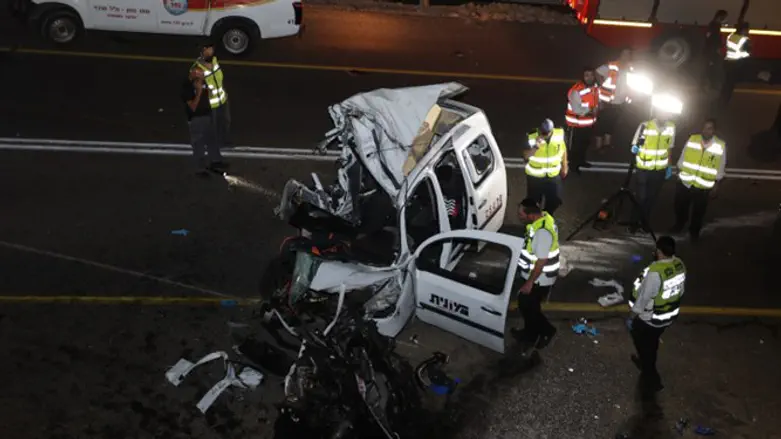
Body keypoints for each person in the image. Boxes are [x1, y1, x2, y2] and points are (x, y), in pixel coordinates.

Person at [627, 236, 686, 395]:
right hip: (668, 316)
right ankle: (646, 361)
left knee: (642, 340)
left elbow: (643, 298)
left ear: (659, 252)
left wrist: (632, 317)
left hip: (651, 319)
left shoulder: (655, 273)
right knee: (651, 343)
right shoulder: (679, 264)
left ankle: (651, 376)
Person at [512, 198, 560, 351]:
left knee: (529, 307)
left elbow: (541, 261)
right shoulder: (543, 218)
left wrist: (529, 282)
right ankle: (529, 334)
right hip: (535, 275)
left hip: (540, 279)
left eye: (521, 214)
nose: (519, 216)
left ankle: (547, 331)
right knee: (528, 306)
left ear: (531, 215)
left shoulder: (542, 233)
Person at [670, 119, 727, 242]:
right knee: (680, 206)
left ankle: (694, 231)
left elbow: (721, 165)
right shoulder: (692, 139)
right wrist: (679, 171)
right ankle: (679, 224)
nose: (706, 131)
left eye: (710, 128)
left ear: (714, 130)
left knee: (699, 211)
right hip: (685, 181)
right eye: (705, 128)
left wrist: (717, 184)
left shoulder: (720, 145)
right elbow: (683, 155)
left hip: (703, 185)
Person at [628, 114, 677, 233]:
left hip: (659, 170)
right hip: (643, 168)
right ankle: (634, 222)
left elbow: (669, 147)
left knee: (651, 198)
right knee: (641, 197)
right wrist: (635, 148)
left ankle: (645, 222)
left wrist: (669, 166)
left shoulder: (671, 127)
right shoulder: (645, 126)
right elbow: (634, 144)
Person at [181, 68, 227, 175]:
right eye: (200, 74)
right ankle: (200, 168)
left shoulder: (204, 82)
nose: (203, 77)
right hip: (196, 118)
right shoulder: (187, 87)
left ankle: (215, 161)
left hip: (207, 116)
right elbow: (192, 107)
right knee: (198, 145)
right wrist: (199, 92)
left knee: (212, 140)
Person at [524, 119, 568, 215]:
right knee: (533, 204)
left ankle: (547, 216)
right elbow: (525, 156)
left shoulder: (559, 134)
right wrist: (536, 146)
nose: (545, 135)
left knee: (555, 200)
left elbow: (563, 150)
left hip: (553, 176)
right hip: (535, 177)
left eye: (547, 133)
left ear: (551, 131)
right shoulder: (531, 136)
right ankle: (534, 221)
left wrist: (565, 166)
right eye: (543, 132)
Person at [192, 41, 231, 148]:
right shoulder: (197, 69)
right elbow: (196, 88)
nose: (211, 52)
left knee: (225, 122)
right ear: (202, 52)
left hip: (223, 100)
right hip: (210, 103)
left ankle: (225, 141)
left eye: (212, 49)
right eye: (208, 50)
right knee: (212, 126)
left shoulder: (215, 61)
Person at [596, 48, 634, 148]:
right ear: (620, 54)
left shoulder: (630, 68)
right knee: (602, 123)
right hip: (608, 100)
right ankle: (598, 145)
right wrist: (602, 84)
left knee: (612, 123)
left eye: (628, 54)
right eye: (624, 54)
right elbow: (598, 72)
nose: (626, 56)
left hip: (621, 101)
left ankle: (607, 144)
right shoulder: (612, 65)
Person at [565, 67, 600, 172]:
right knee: (575, 146)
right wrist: (591, 110)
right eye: (586, 75)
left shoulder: (594, 87)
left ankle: (581, 161)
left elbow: (595, 100)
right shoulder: (576, 90)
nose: (589, 78)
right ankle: (573, 166)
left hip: (588, 123)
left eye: (591, 75)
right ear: (582, 77)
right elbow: (577, 109)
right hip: (577, 124)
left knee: (585, 144)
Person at [721, 22, 752, 104]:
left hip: (727, 61)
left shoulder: (730, 36)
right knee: (730, 84)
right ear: (744, 30)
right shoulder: (744, 39)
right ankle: (725, 100)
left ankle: (721, 98)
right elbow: (745, 53)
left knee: (726, 82)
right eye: (747, 29)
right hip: (736, 64)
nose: (748, 31)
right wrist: (748, 54)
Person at [702, 10, 728, 92]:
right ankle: (709, 85)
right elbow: (712, 38)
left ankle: (708, 84)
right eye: (724, 17)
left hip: (711, 49)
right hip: (712, 50)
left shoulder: (714, 25)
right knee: (712, 67)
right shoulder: (715, 25)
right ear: (720, 17)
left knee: (711, 67)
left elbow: (709, 37)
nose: (725, 19)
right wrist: (717, 49)